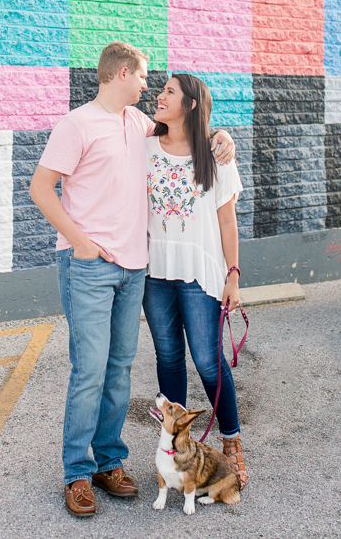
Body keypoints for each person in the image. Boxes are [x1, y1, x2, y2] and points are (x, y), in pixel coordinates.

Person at [29, 41, 234, 518]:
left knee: (119, 369)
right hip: (89, 267)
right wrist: (79, 241)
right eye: (144, 77)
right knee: (89, 371)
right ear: (122, 73)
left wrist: (221, 135)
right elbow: (40, 187)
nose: (148, 85)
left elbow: (187, 131)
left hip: (134, 269)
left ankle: (108, 461)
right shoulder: (76, 124)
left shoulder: (139, 125)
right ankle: (77, 474)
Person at [143, 72, 247, 489]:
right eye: (161, 89)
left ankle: (232, 440)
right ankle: (177, 450)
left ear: (188, 104)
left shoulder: (215, 153)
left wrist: (234, 276)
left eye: (169, 91)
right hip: (155, 271)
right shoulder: (145, 147)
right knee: (168, 357)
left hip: (201, 271)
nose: (159, 95)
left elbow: (227, 220)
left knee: (207, 359)